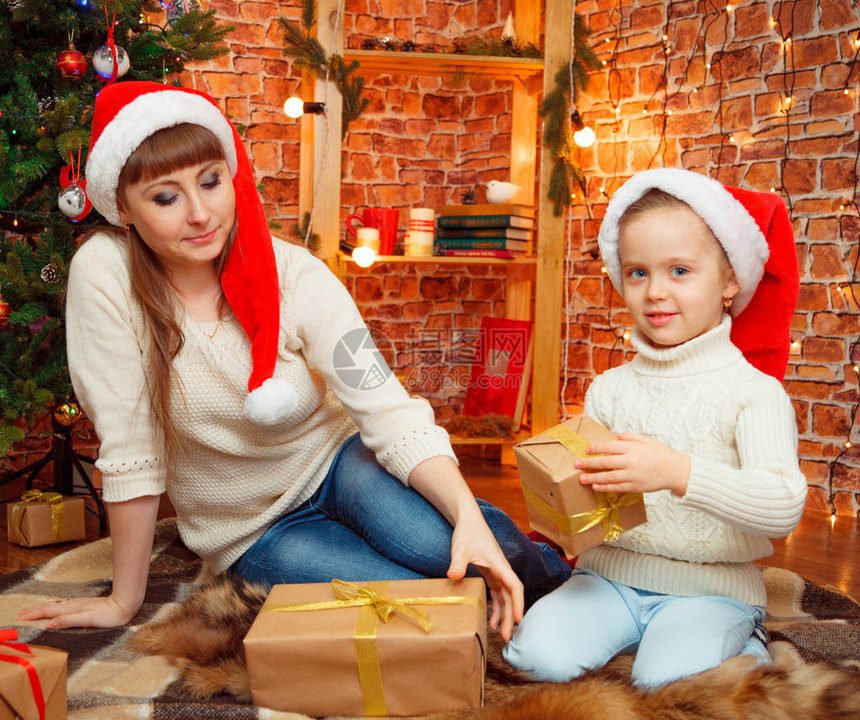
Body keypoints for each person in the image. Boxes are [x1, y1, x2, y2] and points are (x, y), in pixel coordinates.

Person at [19, 81, 570, 638]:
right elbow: (131, 444)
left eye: (211, 182)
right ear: (124, 210)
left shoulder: (293, 271)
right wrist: (122, 600)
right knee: (411, 602)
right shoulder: (105, 273)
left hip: (337, 464)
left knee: (456, 546)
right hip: (250, 529)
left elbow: (384, 404)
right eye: (166, 197)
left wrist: (466, 515)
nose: (200, 213)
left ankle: (573, 587)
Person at [502, 168, 808, 688]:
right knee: (531, 660)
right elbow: (592, 503)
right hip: (608, 577)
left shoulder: (753, 393)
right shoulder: (611, 388)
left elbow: (782, 505)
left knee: (667, 682)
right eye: (639, 273)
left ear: (730, 281)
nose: (655, 292)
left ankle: (743, 641)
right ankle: (640, 635)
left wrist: (675, 471)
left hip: (712, 587)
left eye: (680, 271)